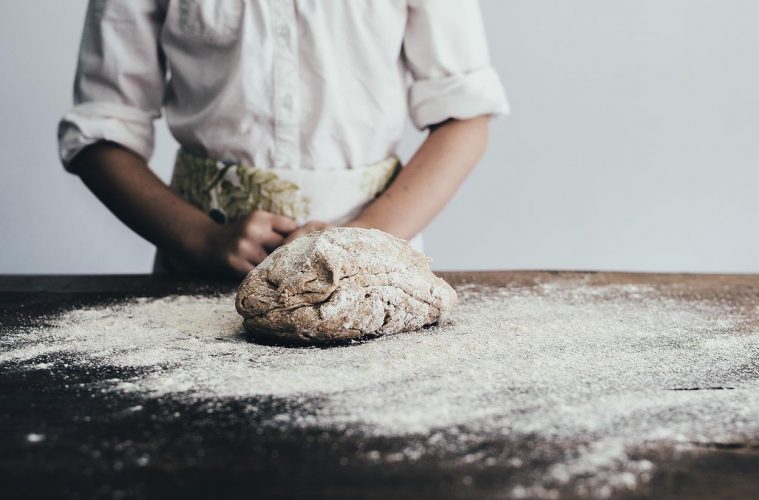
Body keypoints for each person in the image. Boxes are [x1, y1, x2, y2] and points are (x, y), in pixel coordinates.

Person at [58, 0, 509, 276]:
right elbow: (101, 130)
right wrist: (202, 240)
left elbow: (464, 117)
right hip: (199, 271)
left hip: (375, 267)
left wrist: (360, 241)